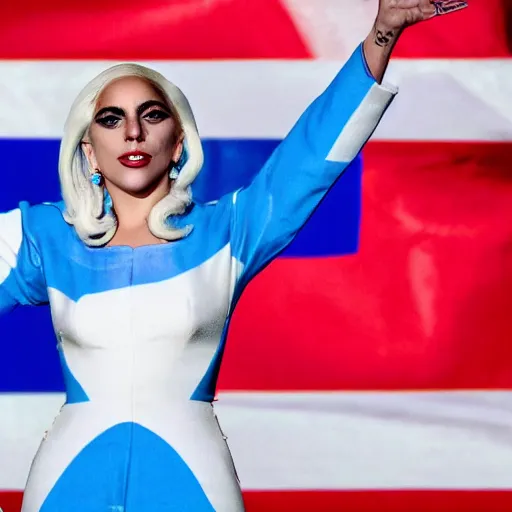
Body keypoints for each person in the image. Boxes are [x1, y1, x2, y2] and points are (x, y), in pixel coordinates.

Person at [0, 1, 466, 511]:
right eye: (112, 120)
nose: (132, 133)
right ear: (89, 150)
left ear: (178, 142)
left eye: (151, 115)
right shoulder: (42, 235)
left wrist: (382, 34)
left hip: (193, 479)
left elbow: (308, 161)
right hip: (69, 481)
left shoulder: (228, 231)